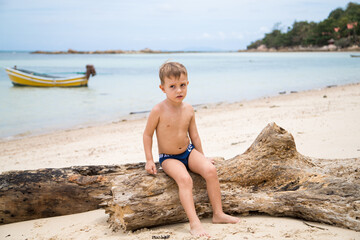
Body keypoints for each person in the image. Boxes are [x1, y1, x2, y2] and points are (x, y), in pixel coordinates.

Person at [143, 61, 240, 237]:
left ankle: (218, 214)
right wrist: (149, 159)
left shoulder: (188, 109)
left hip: (188, 152)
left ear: (188, 84)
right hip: (169, 157)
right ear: (162, 88)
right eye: (172, 86)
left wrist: (202, 157)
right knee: (185, 180)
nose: (179, 90)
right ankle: (194, 223)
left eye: (182, 85)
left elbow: (194, 136)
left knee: (210, 170)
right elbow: (147, 135)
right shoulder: (158, 110)